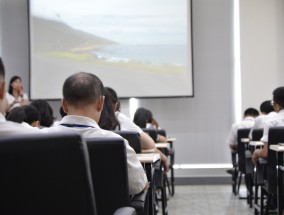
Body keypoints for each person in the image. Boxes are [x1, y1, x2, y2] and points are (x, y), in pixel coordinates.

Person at [44, 72, 148, 195]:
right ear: (101, 103)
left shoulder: (39, 141)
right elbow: (139, 186)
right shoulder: (116, 143)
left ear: (64, 104)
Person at [99, 87, 169, 173]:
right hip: (125, 174)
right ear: (116, 104)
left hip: (96, 175)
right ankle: (158, 181)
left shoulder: (90, 122)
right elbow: (152, 144)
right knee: (155, 159)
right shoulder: (122, 120)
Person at [0, 57, 41, 135]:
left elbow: (26, 106)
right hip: (11, 117)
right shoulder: (26, 132)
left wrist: (21, 96)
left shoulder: (23, 95)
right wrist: (14, 102)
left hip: (22, 117)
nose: (18, 84)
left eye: (20, 82)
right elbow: (6, 108)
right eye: (16, 82)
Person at [252, 87, 284, 164]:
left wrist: (256, 153)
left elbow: (266, 153)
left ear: (277, 105)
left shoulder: (271, 122)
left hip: (279, 167)